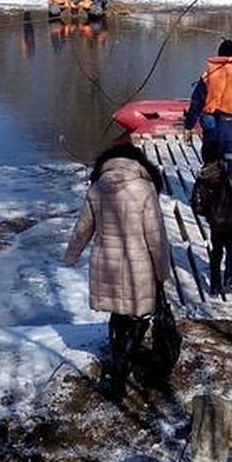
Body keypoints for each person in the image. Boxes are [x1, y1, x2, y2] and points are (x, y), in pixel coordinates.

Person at [64, 143, 172, 400]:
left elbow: (83, 228)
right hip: (138, 267)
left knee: (118, 312)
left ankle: (118, 360)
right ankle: (120, 368)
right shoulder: (144, 189)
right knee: (140, 316)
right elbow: (156, 237)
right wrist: (162, 271)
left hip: (107, 264)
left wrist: (71, 255)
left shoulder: (98, 187)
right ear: (138, 163)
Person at [183, 39, 232, 179]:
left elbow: (196, 102)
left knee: (210, 167)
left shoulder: (208, 74)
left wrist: (188, 126)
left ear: (219, 55)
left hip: (211, 126)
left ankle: (209, 190)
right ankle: (231, 193)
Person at [190, 141, 232, 296]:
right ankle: (228, 278)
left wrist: (209, 213)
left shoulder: (202, 180)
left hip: (215, 224)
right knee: (231, 251)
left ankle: (215, 285)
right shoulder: (227, 176)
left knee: (216, 253)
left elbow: (196, 206)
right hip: (230, 222)